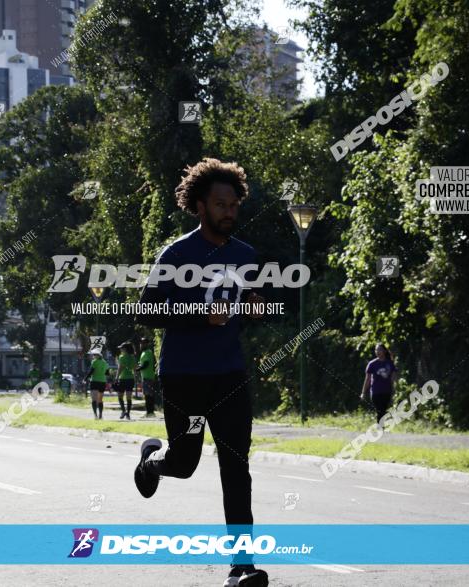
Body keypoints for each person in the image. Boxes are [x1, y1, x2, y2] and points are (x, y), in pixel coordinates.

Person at [132, 159, 268, 587]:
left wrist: (254, 306)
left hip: (229, 375)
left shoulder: (246, 255)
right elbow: (147, 311)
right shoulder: (176, 254)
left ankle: (240, 565)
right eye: (220, 204)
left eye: (233, 204)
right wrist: (197, 314)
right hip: (184, 376)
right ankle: (152, 463)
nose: (228, 211)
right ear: (200, 206)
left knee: (236, 467)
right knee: (185, 462)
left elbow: (248, 304)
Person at [360, 343, 398, 426]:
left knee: (383, 409)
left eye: (380, 349)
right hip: (375, 391)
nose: (377, 351)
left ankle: (381, 426)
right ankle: (380, 427)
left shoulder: (390, 363)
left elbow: (393, 377)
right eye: (376, 349)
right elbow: (368, 379)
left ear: (384, 351)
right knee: (379, 409)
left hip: (387, 390)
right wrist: (363, 392)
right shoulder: (372, 364)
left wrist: (395, 388)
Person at [135, 337, 158, 416]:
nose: (141, 344)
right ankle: (149, 412)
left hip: (149, 377)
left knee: (149, 395)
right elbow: (142, 363)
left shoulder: (148, 352)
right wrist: (139, 366)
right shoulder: (143, 353)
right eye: (141, 343)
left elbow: (146, 364)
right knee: (147, 395)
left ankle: (150, 412)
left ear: (146, 344)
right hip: (145, 377)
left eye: (143, 343)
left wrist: (138, 369)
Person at [115, 342, 137, 420]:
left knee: (120, 396)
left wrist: (116, 378)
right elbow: (135, 369)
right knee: (129, 397)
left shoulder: (121, 357)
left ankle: (123, 411)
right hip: (130, 379)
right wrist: (135, 378)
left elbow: (120, 368)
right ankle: (128, 414)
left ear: (125, 349)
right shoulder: (133, 357)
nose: (120, 349)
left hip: (122, 379)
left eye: (121, 348)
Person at [84, 353, 109, 419]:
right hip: (102, 382)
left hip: (95, 381)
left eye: (94, 355)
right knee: (100, 400)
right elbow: (107, 373)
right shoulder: (105, 362)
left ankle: (95, 415)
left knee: (94, 399)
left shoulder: (94, 362)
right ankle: (100, 415)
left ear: (98, 356)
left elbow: (91, 371)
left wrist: (85, 378)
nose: (93, 356)